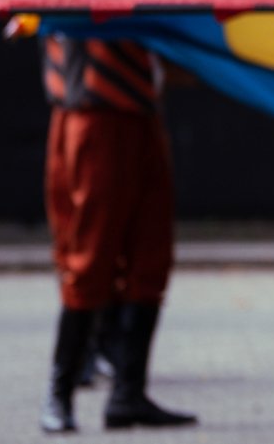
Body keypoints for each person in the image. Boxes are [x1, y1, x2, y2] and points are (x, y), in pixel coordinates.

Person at [37, 33, 197, 433]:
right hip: (92, 115)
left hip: (141, 112)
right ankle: (60, 393)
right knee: (89, 258)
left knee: (151, 258)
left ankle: (128, 394)